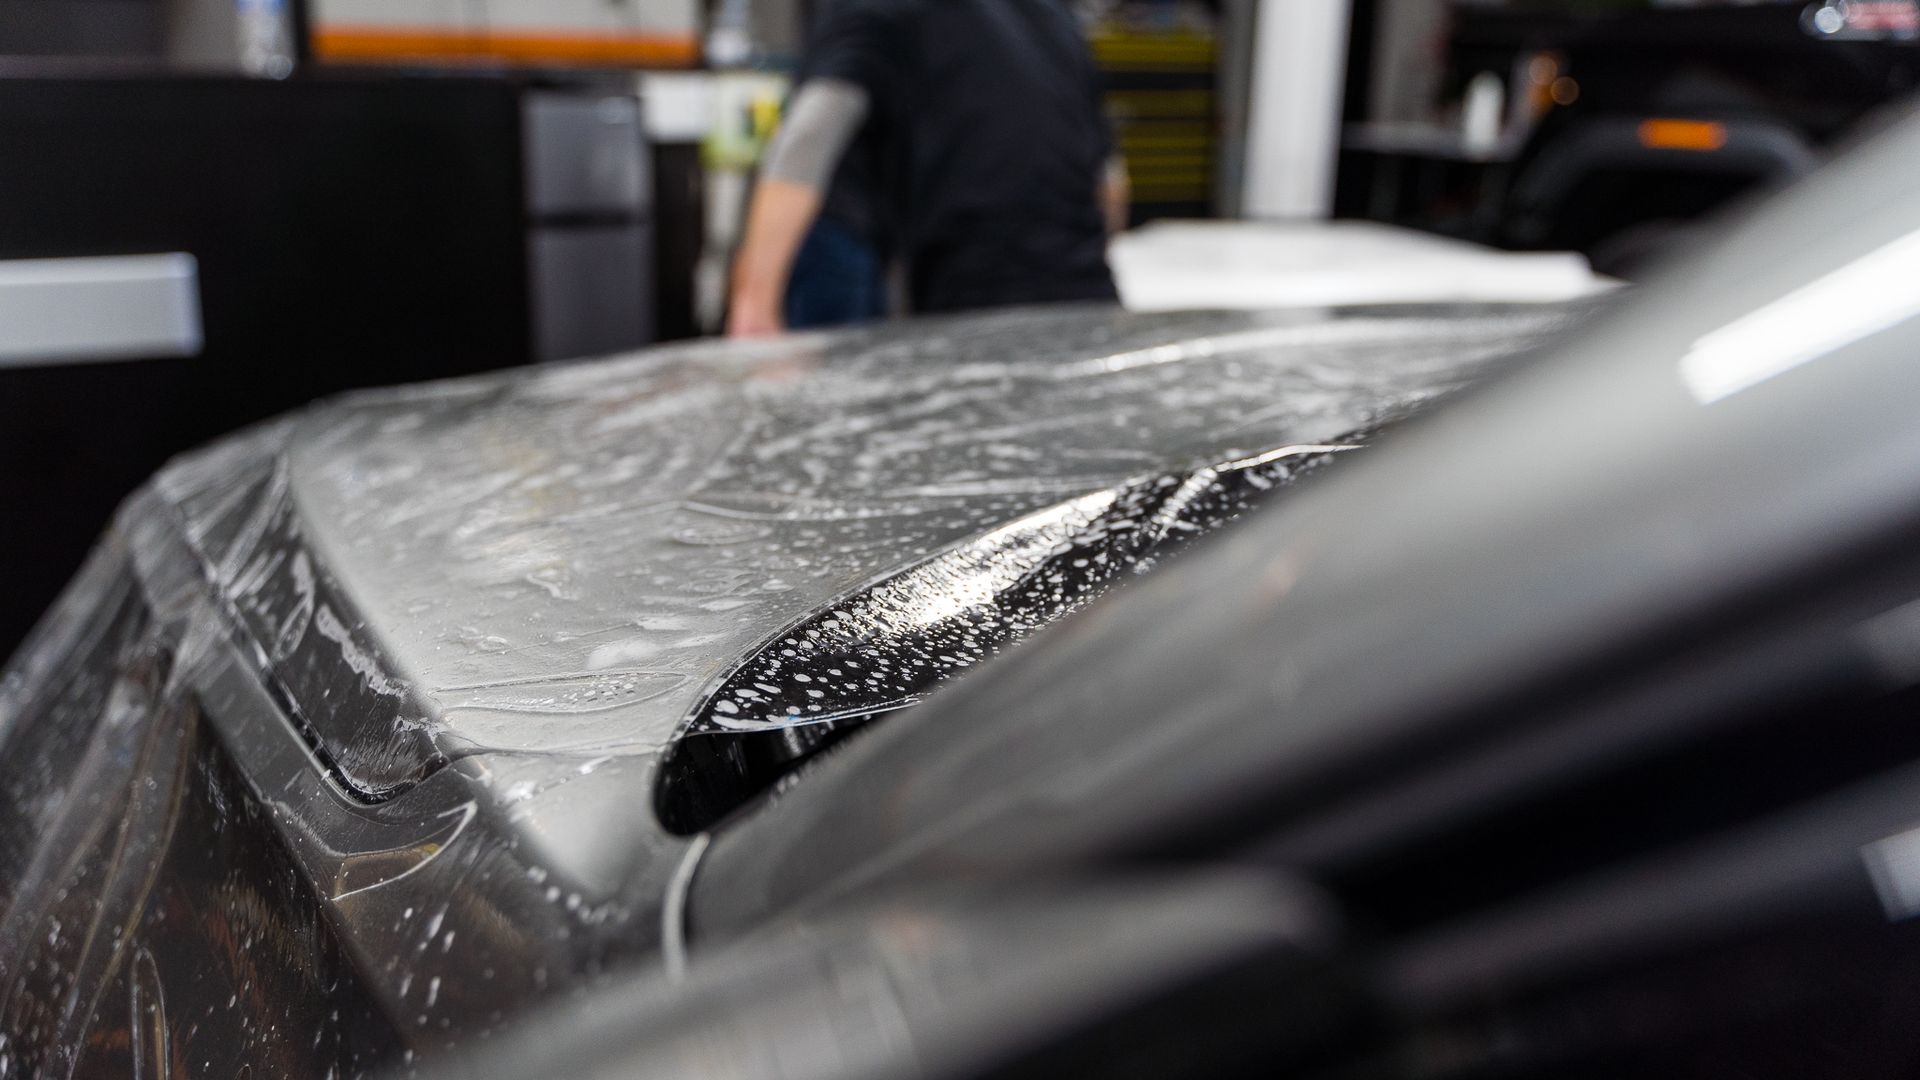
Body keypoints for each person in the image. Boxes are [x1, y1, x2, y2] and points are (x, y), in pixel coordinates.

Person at [728, 0, 1129, 337]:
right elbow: (1110, 183)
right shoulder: (1050, 11)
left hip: (976, 303)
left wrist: (754, 305)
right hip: (1089, 295)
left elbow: (809, 139)